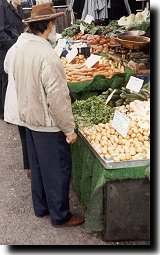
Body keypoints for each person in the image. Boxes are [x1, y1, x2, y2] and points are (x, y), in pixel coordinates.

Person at [13, 3, 85, 227]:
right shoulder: (48, 55)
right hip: (46, 122)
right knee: (57, 170)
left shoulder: (21, 50)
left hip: (30, 119)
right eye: (53, 23)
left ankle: (41, 207)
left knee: (39, 167)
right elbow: (58, 99)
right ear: (49, 25)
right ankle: (60, 215)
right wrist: (69, 129)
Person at [4, 28, 34, 179]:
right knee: (32, 134)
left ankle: (29, 167)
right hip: (26, 98)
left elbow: (6, 68)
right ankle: (34, 167)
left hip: (16, 99)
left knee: (24, 134)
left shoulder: (12, 49)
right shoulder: (30, 50)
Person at [0, 0, 19, 119]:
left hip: (10, 47)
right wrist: (13, 45)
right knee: (4, 79)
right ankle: (3, 112)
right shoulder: (1, 6)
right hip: (4, 49)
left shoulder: (17, 8)